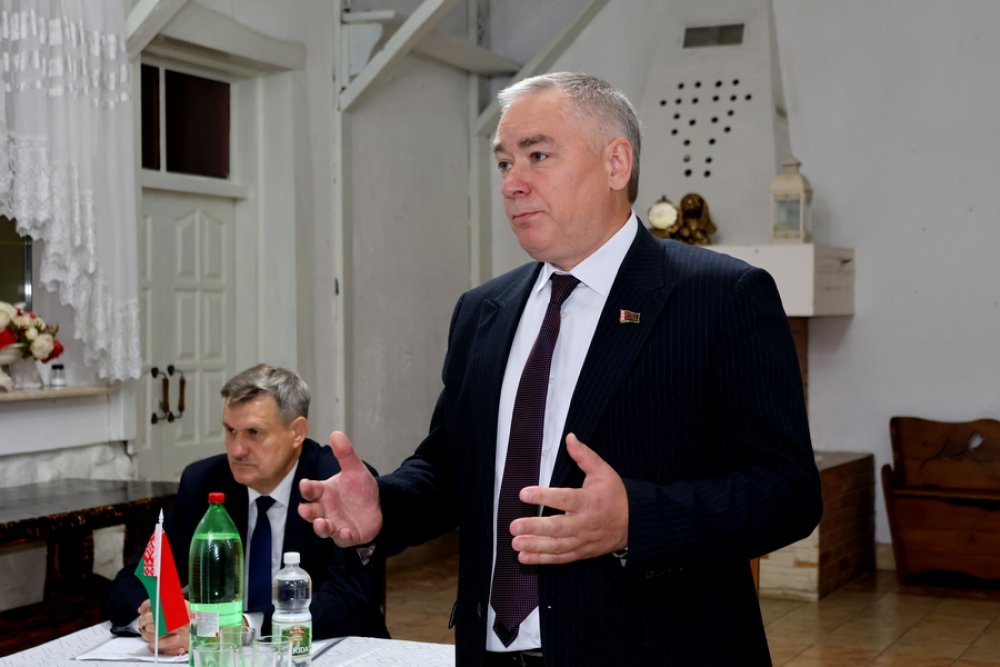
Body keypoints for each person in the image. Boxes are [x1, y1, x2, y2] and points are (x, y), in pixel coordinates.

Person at [299, 72, 822, 666]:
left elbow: (787, 493)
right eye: (504, 163)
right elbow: (450, 469)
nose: (512, 183)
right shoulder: (483, 311)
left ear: (616, 164)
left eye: (538, 156)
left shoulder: (720, 297)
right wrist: (384, 506)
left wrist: (635, 519)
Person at [107, 364, 388, 656]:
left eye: (254, 432)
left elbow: (347, 602)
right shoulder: (203, 482)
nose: (237, 449)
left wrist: (236, 628)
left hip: (333, 652)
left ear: (297, 432)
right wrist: (156, 619)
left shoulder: (336, 484)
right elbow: (133, 582)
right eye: (230, 431)